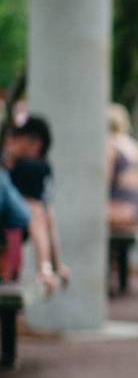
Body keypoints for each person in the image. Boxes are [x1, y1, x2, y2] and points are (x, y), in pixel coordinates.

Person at [3, 115, 70, 295]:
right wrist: (54, 265)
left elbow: (38, 213)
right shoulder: (37, 166)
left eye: (17, 138)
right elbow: (47, 215)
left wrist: (47, 267)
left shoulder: (29, 167)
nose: (11, 142)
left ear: (34, 144)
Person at [106, 104, 138, 233]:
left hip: (122, 210)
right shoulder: (133, 145)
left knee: (85, 212)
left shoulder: (111, 146)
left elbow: (104, 181)